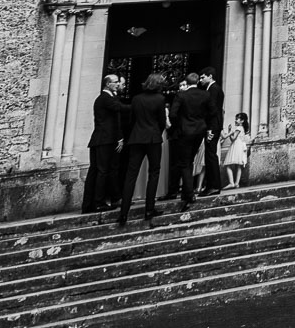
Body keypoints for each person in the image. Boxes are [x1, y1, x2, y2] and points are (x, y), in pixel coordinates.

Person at [116, 73, 170, 226]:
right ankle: (149, 210)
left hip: (137, 137)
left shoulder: (136, 99)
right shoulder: (160, 99)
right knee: (153, 173)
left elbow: (132, 119)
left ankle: (123, 213)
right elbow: (161, 121)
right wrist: (156, 133)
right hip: (152, 138)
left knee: (131, 174)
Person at [80, 73, 129, 213]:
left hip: (104, 139)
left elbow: (116, 119)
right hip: (103, 140)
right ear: (108, 84)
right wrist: (140, 105)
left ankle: (91, 203)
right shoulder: (105, 98)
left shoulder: (109, 98)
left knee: (97, 171)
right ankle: (97, 202)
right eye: (115, 82)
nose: (118, 84)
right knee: (101, 171)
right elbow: (120, 108)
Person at [167, 72, 213, 210]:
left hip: (185, 132)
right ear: (198, 81)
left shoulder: (181, 95)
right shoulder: (205, 95)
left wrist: (178, 126)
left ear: (186, 82)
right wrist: (206, 125)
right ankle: (188, 191)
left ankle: (189, 193)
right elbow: (212, 112)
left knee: (185, 162)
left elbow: (173, 114)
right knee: (190, 160)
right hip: (199, 131)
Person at [198, 67, 226, 195]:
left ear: (210, 76)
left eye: (203, 77)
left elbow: (213, 109)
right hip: (214, 125)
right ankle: (211, 185)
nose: (200, 80)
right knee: (210, 156)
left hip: (213, 126)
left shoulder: (213, 89)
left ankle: (214, 186)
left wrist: (209, 128)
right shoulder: (212, 89)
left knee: (211, 156)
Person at [220, 112, 251, 189]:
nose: (235, 120)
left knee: (227, 165)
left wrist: (229, 130)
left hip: (236, 146)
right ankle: (237, 183)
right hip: (239, 145)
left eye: (237, 119)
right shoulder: (242, 128)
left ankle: (231, 183)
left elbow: (232, 138)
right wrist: (231, 132)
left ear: (242, 121)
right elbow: (233, 138)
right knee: (238, 166)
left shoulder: (238, 128)